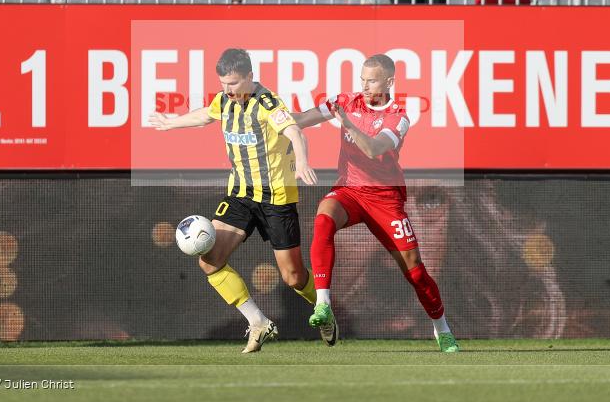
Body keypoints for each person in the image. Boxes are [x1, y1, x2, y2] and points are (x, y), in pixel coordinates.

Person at [148, 48, 319, 353]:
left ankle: (323, 308)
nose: (229, 90)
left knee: (293, 277)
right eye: (224, 83)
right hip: (240, 194)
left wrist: (303, 162)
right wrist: (170, 122)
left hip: (276, 196)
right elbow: (205, 115)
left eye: (234, 84)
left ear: (250, 78)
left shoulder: (267, 102)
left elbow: (294, 130)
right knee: (209, 260)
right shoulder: (225, 100)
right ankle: (258, 322)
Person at [292, 54, 460, 353]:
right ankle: (323, 305)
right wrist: (270, 119)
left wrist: (347, 124)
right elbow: (301, 120)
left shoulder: (399, 116)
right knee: (323, 219)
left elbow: (373, 149)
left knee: (415, 271)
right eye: (362, 79)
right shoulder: (346, 101)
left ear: (389, 82)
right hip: (351, 190)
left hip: (385, 199)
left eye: (372, 80)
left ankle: (442, 329)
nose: (365, 86)